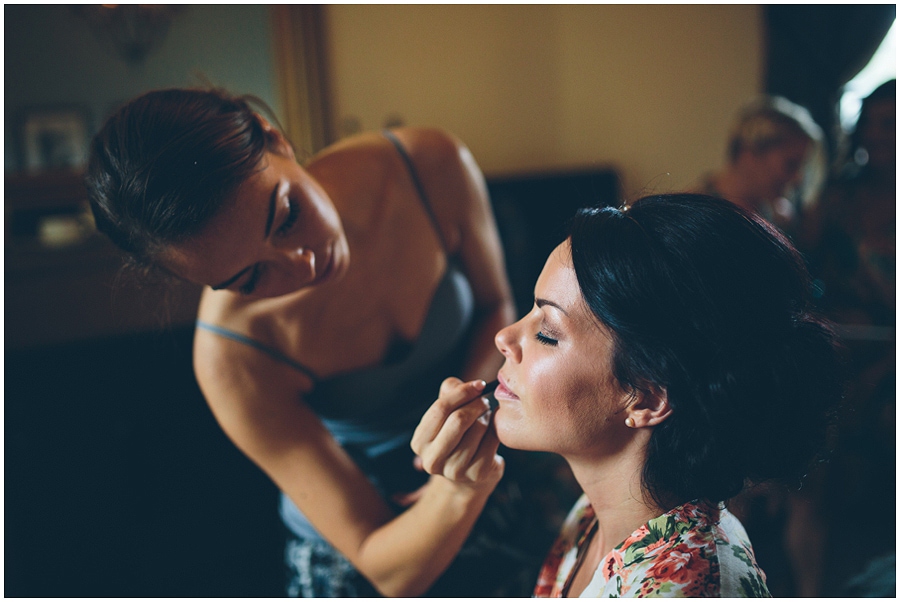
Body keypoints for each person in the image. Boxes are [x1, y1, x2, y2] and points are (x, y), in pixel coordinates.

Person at [84, 87, 543, 597]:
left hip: (488, 464)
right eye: (249, 279)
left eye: (287, 216)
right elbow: (385, 566)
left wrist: (470, 417)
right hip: (374, 552)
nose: (300, 265)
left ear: (274, 139)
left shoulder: (430, 164)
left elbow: (493, 306)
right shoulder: (232, 356)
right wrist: (454, 483)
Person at [414, 193, 842, 597]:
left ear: (647, 399)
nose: (505, 336)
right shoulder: (599, 512)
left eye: (547, 333)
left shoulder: (682, 588)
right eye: (530, 311)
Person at [697, 96, 824, 237]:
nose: (797, 178)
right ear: (749, 154)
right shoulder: (695, 216)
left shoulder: (779, 218)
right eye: (790, 164)